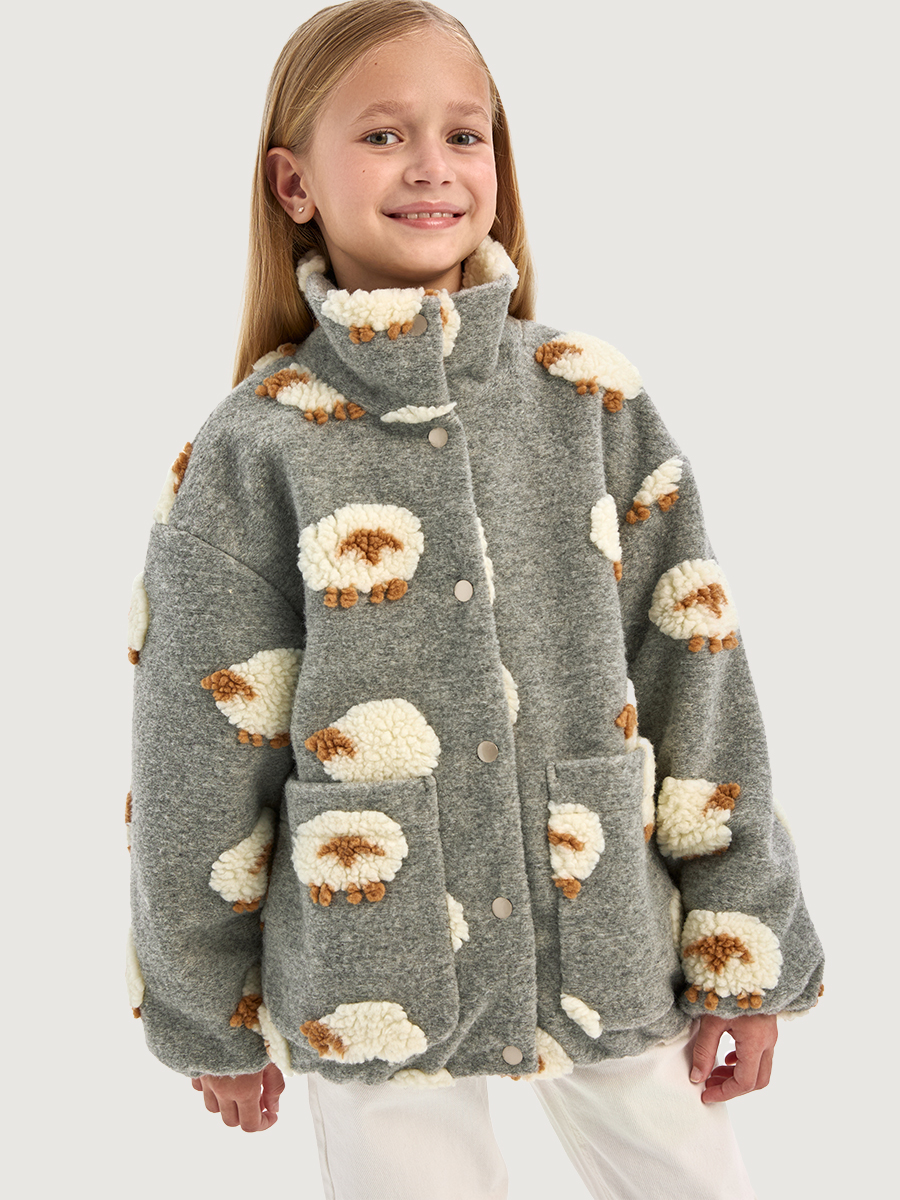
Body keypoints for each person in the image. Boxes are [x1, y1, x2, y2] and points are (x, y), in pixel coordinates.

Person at [125, 2, 824, 1196]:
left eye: (464, 134)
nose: (432, 167)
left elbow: (698, 676)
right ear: (294, 184)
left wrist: (741, 948)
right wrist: (209, 1011)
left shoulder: (590, 400)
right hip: (370, 961)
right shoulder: (252, 448)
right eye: (383, 135)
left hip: (606, 917)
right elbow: (198, 749)